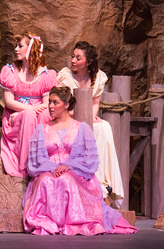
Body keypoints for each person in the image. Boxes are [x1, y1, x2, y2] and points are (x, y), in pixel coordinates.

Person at [23, 86, 138, 235]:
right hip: (47, 169)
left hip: (75, 170)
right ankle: (49, 222)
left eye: (55, 103)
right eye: (49, 102)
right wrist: (52, 168)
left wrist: (68, 166)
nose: (50, 106)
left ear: (66, 105)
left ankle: (72, 222)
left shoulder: (81, 128)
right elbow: (36, 158)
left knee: (67, 180)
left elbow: (88, 158)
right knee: (45, 181)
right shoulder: (41, 129)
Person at [57, 41, 124, 207]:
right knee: (88, 129)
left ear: (88, 62)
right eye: (73, 56)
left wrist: (90, 117)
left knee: (103, 127)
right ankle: (96, 180)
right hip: (68, 117)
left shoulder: (98, 77)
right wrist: (80, 116)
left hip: (86, 116)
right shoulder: (65, 76)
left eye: (78, 58)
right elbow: (61, 104)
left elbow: (95, 102)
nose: (73, 60)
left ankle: (103, 179)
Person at [0, 32, 57, 178]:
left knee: (45, 113)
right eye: (16, 46)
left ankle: (42, 159)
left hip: (36, 114)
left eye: (20, 46)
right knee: (28, 114)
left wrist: (33, 110)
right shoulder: (10, 71)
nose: (16, 49)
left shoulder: (45, 74)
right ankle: (26, 164)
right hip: (16, 115)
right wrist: (29, 109)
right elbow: (9, 102)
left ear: (31, 49)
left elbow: (45, 104)